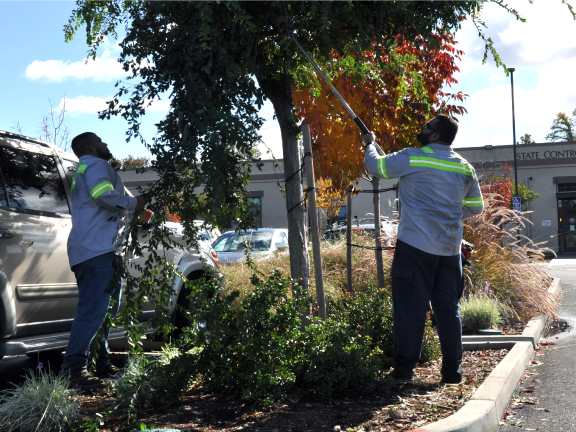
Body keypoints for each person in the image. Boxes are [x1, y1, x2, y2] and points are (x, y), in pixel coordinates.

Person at [363, 115, 484, 384]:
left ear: (435, 135)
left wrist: (369, 143)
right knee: (448, 310)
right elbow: (477, 207)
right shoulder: (465, 168)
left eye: (426, 127)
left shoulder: (412, 158)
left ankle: (404, 371)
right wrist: (449, 215)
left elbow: (374, 167)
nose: (422, 128)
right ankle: (453, 372)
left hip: (416, 247)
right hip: (450, 251)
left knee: (410, 309)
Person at [62, 132, 153, 390]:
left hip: (99, 250)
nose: (106, 144)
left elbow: (102, 203)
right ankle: (74, 370)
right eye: (102, 141)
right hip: (96, 251)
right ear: (91, 147)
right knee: (94, 311)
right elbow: (103, 195)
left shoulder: (85, 169)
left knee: (104, 312)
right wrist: (136, 203)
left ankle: (100, 364)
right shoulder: (96, 164)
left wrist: (135, 210)